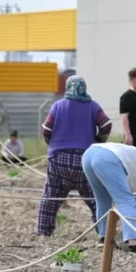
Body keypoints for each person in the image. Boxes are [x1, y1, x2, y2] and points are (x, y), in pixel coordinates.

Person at [37, 75, 112, 237]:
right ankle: (104, 234)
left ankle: (44, 232)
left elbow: (46, 130)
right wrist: (98, 141)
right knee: (96, 198)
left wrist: (52, 143)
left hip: (59, 159)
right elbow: (106, 125)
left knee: (51, 197)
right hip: (85, 160)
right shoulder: (93, 106)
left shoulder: (58, 106)